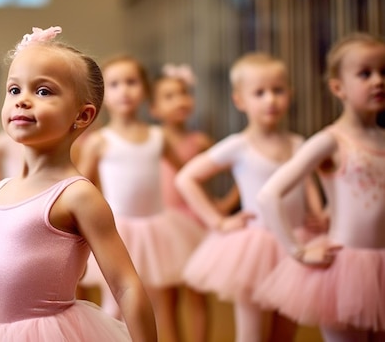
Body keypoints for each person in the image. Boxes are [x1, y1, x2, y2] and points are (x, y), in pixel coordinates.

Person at [0, 26, 156, 342]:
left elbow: (126, 285)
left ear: (82, 115)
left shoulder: (77, 195)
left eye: (43, 91)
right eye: (14, 90)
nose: (22, 101)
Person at [176, 53, 324, 342]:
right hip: (255, 246)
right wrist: (217, 222)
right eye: (260, 93)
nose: (270, 100)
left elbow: (306, 181)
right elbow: (186, 178)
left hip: (296, 239)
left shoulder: (298, 144)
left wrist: (317, 210)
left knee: (286, 331)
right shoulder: (238, 145)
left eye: (278, 91)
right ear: (240, 100)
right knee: (251, 334)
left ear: (290, 95)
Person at [254, 33, 385, 342]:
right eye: (365, 73)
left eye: (384, 71)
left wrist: (329, 209)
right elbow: (269, 194)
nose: (378, 80)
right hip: (346, 270)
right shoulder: (331, 140)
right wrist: (298, 252)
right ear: (338, 87)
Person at [77, 55, 195, 342]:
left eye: (131, 82)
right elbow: (78, 186)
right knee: (113, 304)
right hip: (117, 232)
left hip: (158, 230)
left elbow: (187, 175)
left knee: (160, 304)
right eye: (115, 84)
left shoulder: (159, 136)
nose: (125, 90)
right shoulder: (99, 141)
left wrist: (216, 208)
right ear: (102, 93)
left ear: (144, 89)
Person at [151, 63, 238, 342]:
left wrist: (224, 203)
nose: (180, 101)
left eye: (184, 93)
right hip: (164, 223)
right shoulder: (153, 140)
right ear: (153, 109)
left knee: (197, 294)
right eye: (169, 96)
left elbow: (239, 168)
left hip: (196, 222)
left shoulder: (200, 141)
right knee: (166, 297)